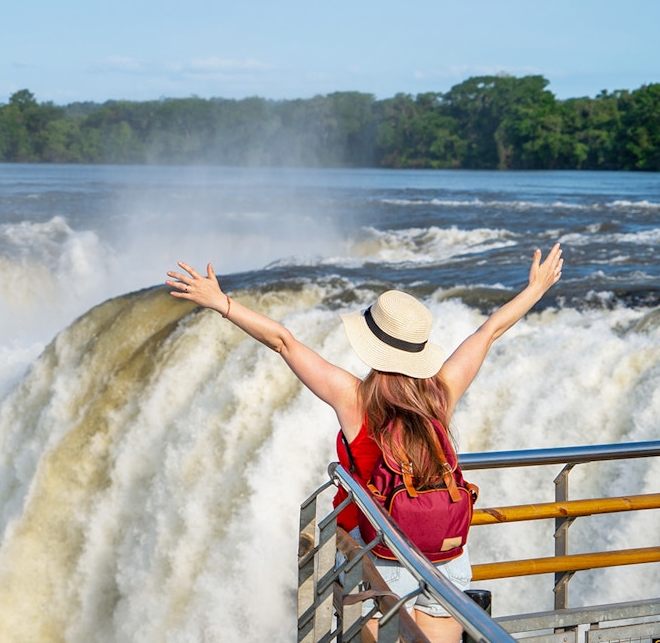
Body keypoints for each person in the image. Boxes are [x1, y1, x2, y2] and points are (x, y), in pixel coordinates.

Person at [166, 243, 563, 643]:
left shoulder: (354, 399)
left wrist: (222, 303)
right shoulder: (441, 393)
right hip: (447, 557)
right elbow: (489, 330)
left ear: (373, 346)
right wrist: (536, 288)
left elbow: (283, 341)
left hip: (380, 553)